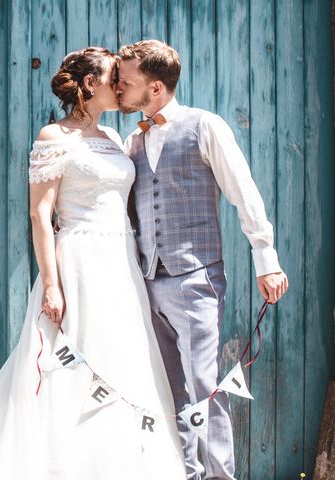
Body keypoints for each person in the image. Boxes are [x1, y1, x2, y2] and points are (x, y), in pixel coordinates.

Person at [0, 47, 186, 479]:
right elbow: (41, 215)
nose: (120, 82)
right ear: (89, 83)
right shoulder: (53, 137)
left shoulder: (115, 138)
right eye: (113, 74)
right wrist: (52, 285)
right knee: (76, 361)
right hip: (78, 259)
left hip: (121, 260)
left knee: (125, 358)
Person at [116, 39, 289, 480]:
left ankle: (219, 476)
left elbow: (243, 192)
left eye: (128, 82)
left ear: (155, 88)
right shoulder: (132, 140)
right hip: (147, 281)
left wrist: (266, 257)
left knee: (204, 388)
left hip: (195, 277)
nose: (119, 88)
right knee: (169, 389)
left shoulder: (203, 126)